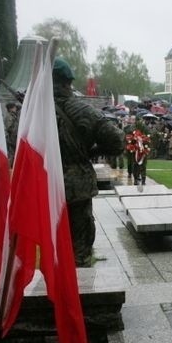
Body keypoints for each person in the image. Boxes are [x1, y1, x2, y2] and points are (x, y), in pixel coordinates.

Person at [52, 57, 124, 266]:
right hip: (76, 185)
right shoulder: (81, 110)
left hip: (42, 185)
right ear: (68, 82)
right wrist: (93, 151)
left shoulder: (30, 111)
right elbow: (117, 140)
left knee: (48, 247)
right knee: (79, 249)